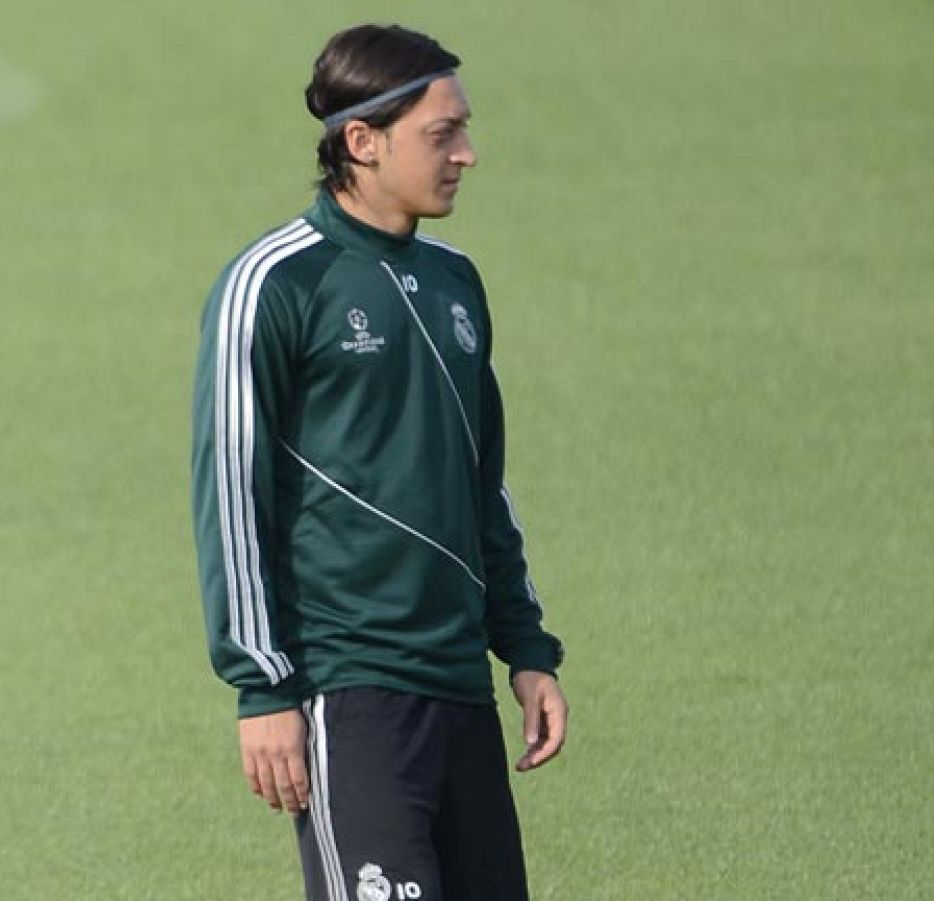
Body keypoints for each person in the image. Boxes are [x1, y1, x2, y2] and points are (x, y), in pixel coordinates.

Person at [191, 24, 566, 901]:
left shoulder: (455, 282)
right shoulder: (275, 284)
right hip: (346, 693)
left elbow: (482, 483)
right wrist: (263, 687)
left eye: (464, 130)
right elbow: (231, 492)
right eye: (443, 135)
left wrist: (523, 644)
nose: (467, 154)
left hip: (459, 691)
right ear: (361, 141)